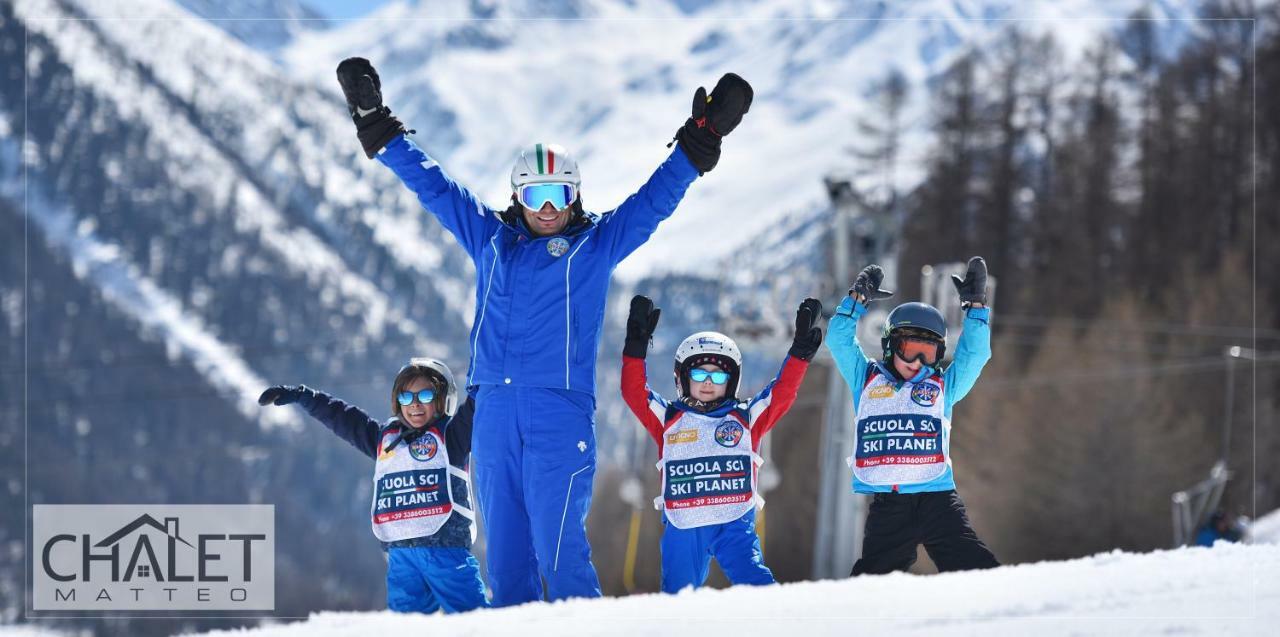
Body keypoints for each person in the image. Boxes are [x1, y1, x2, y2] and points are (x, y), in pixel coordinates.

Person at [334, 57, 754, 605]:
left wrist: (700, 141)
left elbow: (653, 202)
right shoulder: (490, 241)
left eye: (559, 195)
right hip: (493, 415)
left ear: (575, 196)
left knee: (559, 553)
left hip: (558, 411)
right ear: (517, 199)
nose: (549, 209)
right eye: (536, 197)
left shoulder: (595, 245)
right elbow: (436, 189)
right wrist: (379, 129)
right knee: (506, 562)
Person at [619, 295, 822, 592]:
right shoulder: (668, 418)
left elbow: (782, 393)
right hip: (685, 524)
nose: (708, 382)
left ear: (732, 380)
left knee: (758, 586)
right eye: (699, 373)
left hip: (733, 523)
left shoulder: (747, 418)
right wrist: (635, 349)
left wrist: (800, 353)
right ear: (683, 378)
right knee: (677, 595)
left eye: (719, 375)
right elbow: (633, 392)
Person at [257, 358, 488, 614]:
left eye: (424, 395)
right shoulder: (385, 441)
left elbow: (479, 403)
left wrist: (491, 366)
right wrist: (304, 397)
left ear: (444, 399)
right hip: (401, 557)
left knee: (472, 618)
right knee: (406, 626)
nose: (414, 404)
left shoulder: (452, 435)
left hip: (446, 551)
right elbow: (344, 418)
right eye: (406, 397)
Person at [828, 257, 1000, 575]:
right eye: (911, 349)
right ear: (891, 345)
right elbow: (838, 341)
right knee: (872, 578)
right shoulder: (865, 379)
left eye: (930, 352)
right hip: (889, 505)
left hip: (937, 499)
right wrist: (856, 301)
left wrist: (976, 308)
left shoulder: (942, 387)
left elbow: (975, 355)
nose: (919, 361)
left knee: (974, 567)